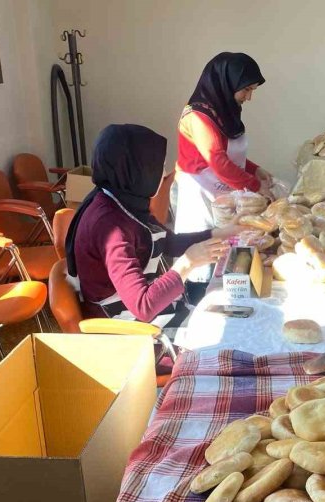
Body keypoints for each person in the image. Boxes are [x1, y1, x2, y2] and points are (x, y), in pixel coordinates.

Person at [65, 124, 233, 337]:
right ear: (135, 169)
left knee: (228, 322)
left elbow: (167, 241)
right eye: (158, 166)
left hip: (146, 313)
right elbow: (143, 306)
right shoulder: (110, 226)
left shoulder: (123, 199)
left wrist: (224, 232)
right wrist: (188, 263)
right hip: (125, 329)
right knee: (225, 337)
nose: (163, 173)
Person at [175, 52, 273, 297]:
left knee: (225, 248)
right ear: (226, 83)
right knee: (203, 254)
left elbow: (231, 154)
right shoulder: (198, 116)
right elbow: (217, 161)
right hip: (197, 194)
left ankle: (226, 297)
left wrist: (255, 168)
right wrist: (254, 185)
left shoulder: (224, 111)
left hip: (220, 193)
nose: (248, 97)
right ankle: (197, 304)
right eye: (246, 90)